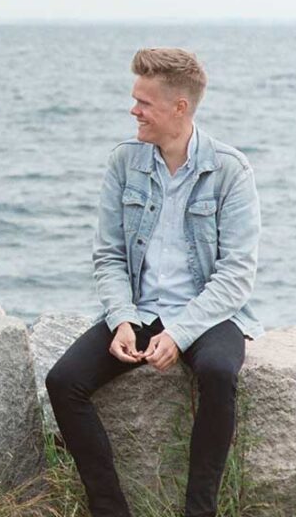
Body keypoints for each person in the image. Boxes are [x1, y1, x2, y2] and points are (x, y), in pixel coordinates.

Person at [45, 48, 263, 517]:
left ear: (179, 108)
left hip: (208, 314)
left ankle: (198, 510)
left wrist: (180, 333)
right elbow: (107, 256)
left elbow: (237, 274)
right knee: (63, 381)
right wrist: (122, 319)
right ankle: (109, 509)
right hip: (140, 309)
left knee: (219, 373)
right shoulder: (125, 162)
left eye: (144, 102)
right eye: (135, 99)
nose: (134, 110)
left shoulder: (230, 169)